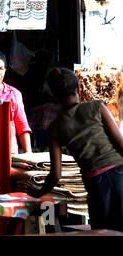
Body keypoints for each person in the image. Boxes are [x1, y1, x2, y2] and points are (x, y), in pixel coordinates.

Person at [21, 67, 123, 231]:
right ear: (78, 88)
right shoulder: (97, 107)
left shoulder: (55, 128)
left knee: (103, 232)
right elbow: (121, 144)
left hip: (96, 185)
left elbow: (56, 174)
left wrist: (40, 192)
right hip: (120, 174)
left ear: (53, 96)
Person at [0, 50, 32, 154]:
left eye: (1, 68)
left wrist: (28, 154)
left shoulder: (14, 94)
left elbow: (22, 125)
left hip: (8, 151)